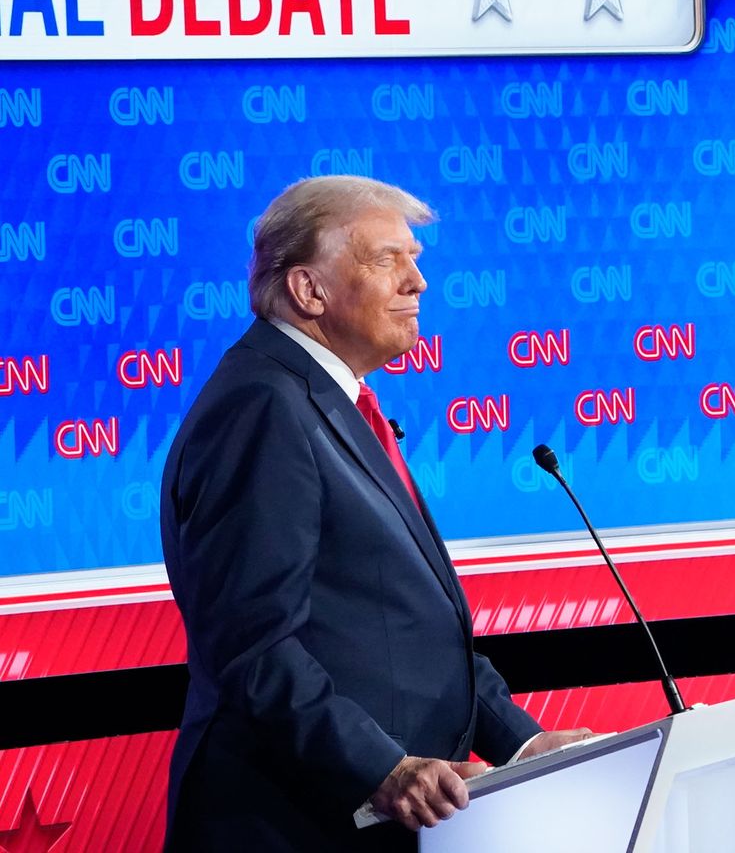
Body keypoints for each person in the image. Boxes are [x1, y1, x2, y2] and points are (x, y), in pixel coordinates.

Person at [160, 176, 592, 850]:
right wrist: (382, 768)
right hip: (288, 824)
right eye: (387, 259)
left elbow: (400, 629)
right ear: (309, 290)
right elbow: (253, 647)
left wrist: (522, 743)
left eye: (415, 258)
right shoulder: (263, 407)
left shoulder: (330, 402)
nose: (417, 281)